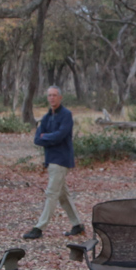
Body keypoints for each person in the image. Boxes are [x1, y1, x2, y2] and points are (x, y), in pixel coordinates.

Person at [23, 86, 83, 240]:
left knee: (51, 193)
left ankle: (39, 227)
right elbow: (37, 139)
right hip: (50, 160)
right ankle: (77, 224)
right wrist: (48, 137)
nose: (52, 98)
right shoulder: (46, 117)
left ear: (60, 97)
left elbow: (60, 136)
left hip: (61, 160)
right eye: (49, 95)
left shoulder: (66, 115)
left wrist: (46, 137)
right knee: (63, 195)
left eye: (55, 95)